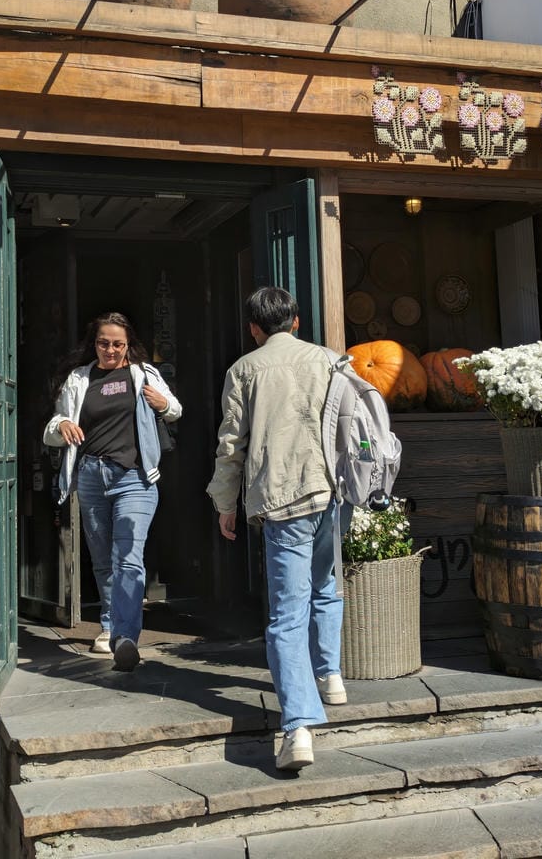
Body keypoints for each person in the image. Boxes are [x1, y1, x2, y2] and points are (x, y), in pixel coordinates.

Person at [206, 286, 344, 773]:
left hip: (283, 496)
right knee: (326, 583)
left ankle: (299, 726)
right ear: (297, 321)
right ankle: (331, 676)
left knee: (287, 612)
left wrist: (226, 502)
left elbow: (231, 445)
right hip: (332, 493)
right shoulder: (331, 361)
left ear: (253, 328)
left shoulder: (244, 369)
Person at [44, 311, 182, 672]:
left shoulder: (143, 373)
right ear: (95, 343)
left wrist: (162, 404)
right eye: (104, 343)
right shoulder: (80, 377)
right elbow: (53, 426)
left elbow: (175, 410)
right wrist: (63, 425)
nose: (110, 350)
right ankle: (108, 624)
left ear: (127, 345)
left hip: (134, 478)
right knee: (103, 559)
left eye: (117, 344)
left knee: (128, 557)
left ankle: (125, 637)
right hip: (91, 475)